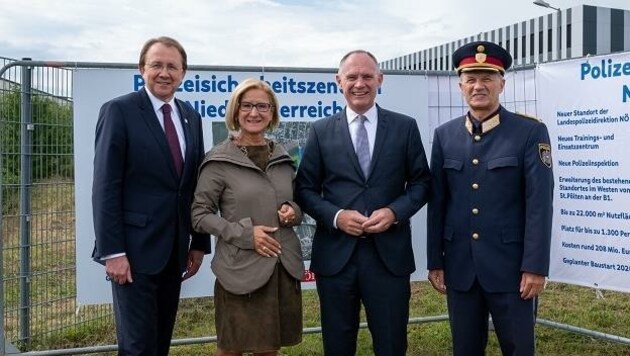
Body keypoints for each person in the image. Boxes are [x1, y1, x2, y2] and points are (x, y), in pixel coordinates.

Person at [295, 50, 432, 356]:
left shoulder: (404, 127)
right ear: (338, 82)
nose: (360, 83)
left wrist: (394, 211)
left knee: (392, 342)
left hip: (388, 258)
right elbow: (304, 189)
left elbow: (423, 183)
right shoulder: (320, 130)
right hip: (336, 258)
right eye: (352, 77)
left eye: (367, 76)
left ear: (380, 80)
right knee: (338, 343)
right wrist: (337, 216)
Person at [426, 41, 554, 356]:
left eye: (487, 77)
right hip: (460, 267)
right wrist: (435, 261)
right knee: (465, 349)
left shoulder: (529, 132)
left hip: (512, 269)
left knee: (519, 348)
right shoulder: (444, 136)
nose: (478, 86)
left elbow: (539, 204)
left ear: (502, 83)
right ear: (460, 86)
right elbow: (438, 202)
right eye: (471, 79)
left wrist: (535, 267)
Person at [92, 36, 211, 356]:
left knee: (159, 341)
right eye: (156, 64)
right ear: (141, 69)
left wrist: (199, 243)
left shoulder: (191, 117)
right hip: (132, 254)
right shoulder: (119, 111)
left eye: (172, 66)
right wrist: (112, 252)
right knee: (136, 346)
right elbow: (105, 187)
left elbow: (195, 185)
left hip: (174, 252)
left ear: (183, 73)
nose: (164, 72)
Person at [191, 78, 304, 356]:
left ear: (272, 113)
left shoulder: (284, 155)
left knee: (269, 348)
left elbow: (299, 200)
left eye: (262, 106)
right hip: (239, 271)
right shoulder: (218, 159)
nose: (255, 113)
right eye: (247, 105)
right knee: (232, 348)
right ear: (235, 111)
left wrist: (294, 211)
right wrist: (244, 234)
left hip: (281, 266)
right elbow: (199, 214)